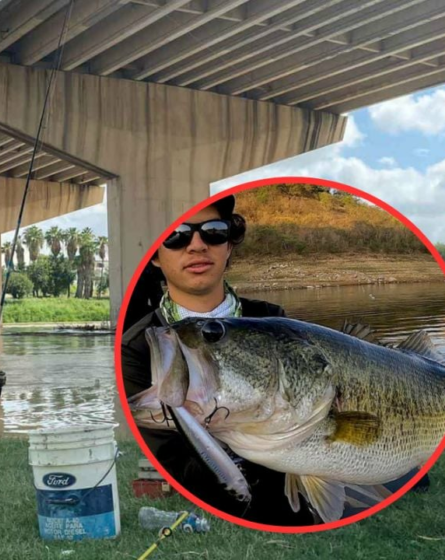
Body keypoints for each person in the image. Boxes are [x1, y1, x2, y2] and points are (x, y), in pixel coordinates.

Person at [119, 194, 427, 526]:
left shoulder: (270, 317)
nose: (196, 245)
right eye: (176, 235)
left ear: (229, 246)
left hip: (291, 469)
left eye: (213, 231)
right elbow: (176, 464)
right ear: (153, 256)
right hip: (239, 498)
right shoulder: (138, 347)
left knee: (413, 479)